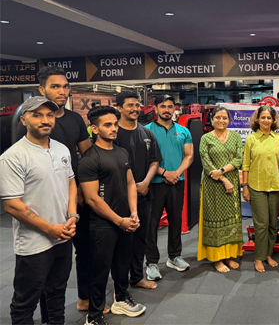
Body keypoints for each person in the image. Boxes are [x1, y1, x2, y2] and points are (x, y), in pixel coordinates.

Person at [15, 66, 94, 315]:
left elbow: (86, 155)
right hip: (44, 199)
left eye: (65, 86)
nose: (62, 91)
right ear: (42, 90)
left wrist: (82, 189)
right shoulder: (29, 122)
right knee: (44, 260)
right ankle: (48, 314)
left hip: (74, 195)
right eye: (55, 86)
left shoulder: (74, 119)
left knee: (83, 250)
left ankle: (84, 298)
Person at [0, 96, 77, 325]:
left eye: (49, 115)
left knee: (57, 293)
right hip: (34, 243)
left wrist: (72, 216)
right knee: (25, 302)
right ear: (23, 120)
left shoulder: (61, 149)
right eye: (37, 115)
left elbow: (71, 182)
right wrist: (50, 228)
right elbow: (12, 205)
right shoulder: (13, 157)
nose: (45, 120)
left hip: (63, 235)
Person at [78, 106, 146, 325]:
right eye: (107, 125)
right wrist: (119, 220)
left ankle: (121, 299)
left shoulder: (121, 152)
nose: (114, 128)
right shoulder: (89, 159)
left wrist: (133, 213)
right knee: (99, 271)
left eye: (115, 124)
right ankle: (94, 316)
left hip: (125, 220)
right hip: (103, 224)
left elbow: (130, 183)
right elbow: (92, 198)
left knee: (122, 264)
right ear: (95, 129)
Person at [114, 91, 161, 289]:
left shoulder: (147, 133)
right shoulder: (113, 133)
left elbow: (155, 161)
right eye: (130, 105)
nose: (135, 109)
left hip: (143, 195)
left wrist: (146, 182)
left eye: (137, 105)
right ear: (119, 108)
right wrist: (129, 187)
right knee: (121, 242)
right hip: (118, 198)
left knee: (140, 238)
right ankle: (119, 284)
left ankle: (136, 277)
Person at [145, 95, 193, 280]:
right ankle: (151, 262)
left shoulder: (183, 131)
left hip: (176, 182)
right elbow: (145, 159)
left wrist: (176, 173)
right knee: (151, 224)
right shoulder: (146, 131)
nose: (167, 110)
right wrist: (165, 173)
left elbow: (189, 156)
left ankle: (174, 257)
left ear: (175, 109)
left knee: (175, 221)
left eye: (170, 106)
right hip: (154, 183)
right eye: (163, 106)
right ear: (156, 109)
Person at [197, 107, 244, 273]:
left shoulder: (235, 136)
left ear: (229, 120)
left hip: (231, 183)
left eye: (224, 117)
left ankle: (229, 255)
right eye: (217, 117)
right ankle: (217, 258)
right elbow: (206, 162)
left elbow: (239, 158)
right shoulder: (205, 138)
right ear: (211, 120)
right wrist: (223, 179)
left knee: (232, 218)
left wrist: (223, 171)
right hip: (212, 185)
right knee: (214, 219)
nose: (221, 120)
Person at [242, 106, 279, 272]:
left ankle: (268, 254)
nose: (266, 120)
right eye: (263, 117)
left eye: (269, 118)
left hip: (275, 186)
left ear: (273, 120)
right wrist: (245, 187)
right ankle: (259, 257)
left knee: (272, 224)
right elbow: (245, 165)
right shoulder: (251, 139)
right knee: (261, 224)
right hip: (256, 186)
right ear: (257, 119)